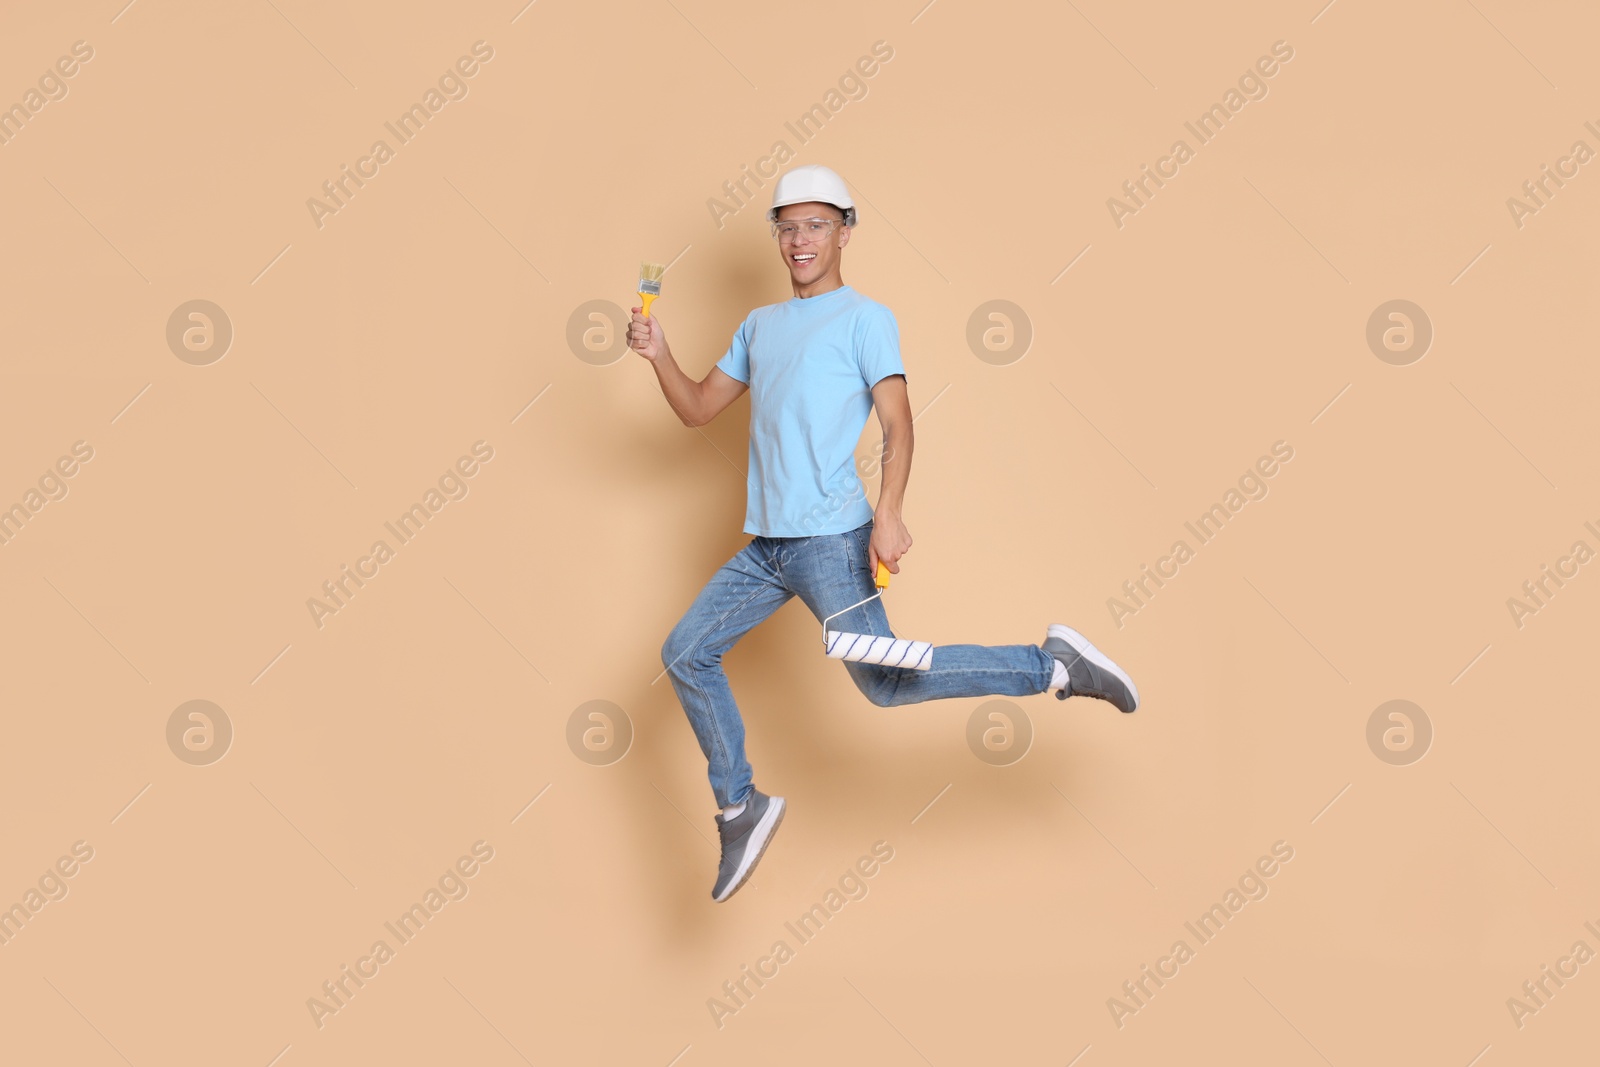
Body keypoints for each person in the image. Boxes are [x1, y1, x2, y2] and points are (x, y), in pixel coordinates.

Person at [628, 164, 1139, 903]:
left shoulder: (866, 318)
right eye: (787, 226)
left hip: (832, 542)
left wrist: (890, 511)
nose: (799, 240)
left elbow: (899, 421)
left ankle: (1052, 664)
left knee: (887, 684)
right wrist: (658, 355)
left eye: (815, 225)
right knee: (685, 651)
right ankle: (741, 805)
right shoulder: (758, 326)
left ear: (844, 231)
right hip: (766, 550)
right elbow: (699, 408)